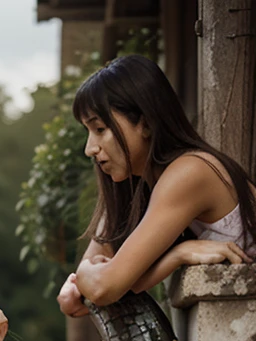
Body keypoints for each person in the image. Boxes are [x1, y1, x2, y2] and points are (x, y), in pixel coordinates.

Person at [57, 54, 256, 317]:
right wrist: (177, 255)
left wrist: (174, 256)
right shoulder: (140, 185)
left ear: (146, 123)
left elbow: (103, 286)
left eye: (101, 129)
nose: (90, 149)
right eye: (88, 132)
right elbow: (84, 292)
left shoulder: (190, 172)